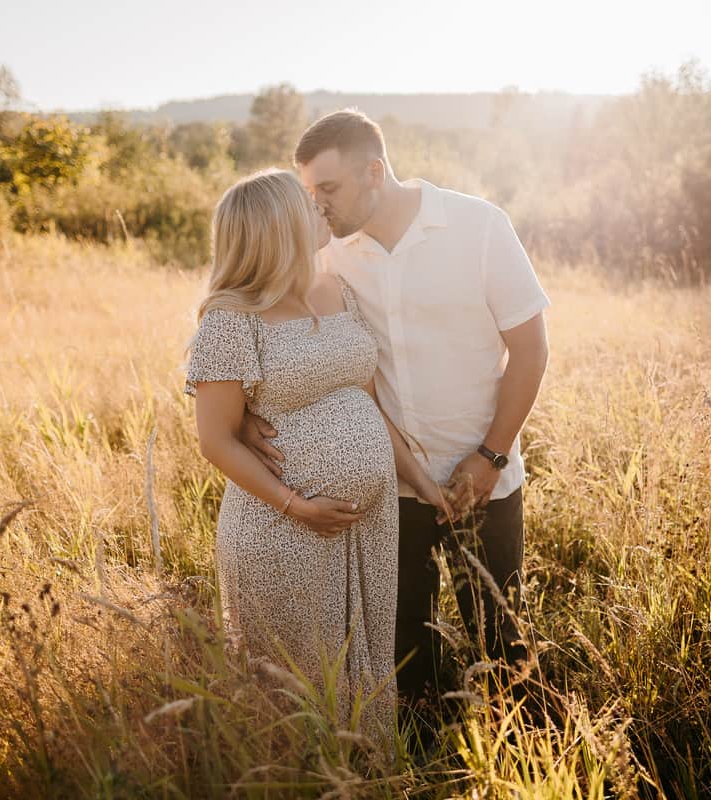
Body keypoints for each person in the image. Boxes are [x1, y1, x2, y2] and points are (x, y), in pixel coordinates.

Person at [241, 110, 551, 732]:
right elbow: (254, 319)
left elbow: (532, 348)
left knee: (503, 642)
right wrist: (249, 411)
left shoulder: (478, 226)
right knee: (404, 649)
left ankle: (527, 761)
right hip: (388, 489)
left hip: (481, 480)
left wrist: (490, 456)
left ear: (375, 171)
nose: (318, 207)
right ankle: (421, 769)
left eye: (327, 189)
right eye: (309, 194)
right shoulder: (325, 254)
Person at [183, 169, 453, 753]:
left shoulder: (340, 291)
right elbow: (216, 440)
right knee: (296, 688)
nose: (321, 211)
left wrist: (424, 485)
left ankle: (367, 783)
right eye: (307, 206)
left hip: (366, 531)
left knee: (364, 671)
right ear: (278, 227)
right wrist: (296, 505)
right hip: (281, 530)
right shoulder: (230, 319)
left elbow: (369, 403)